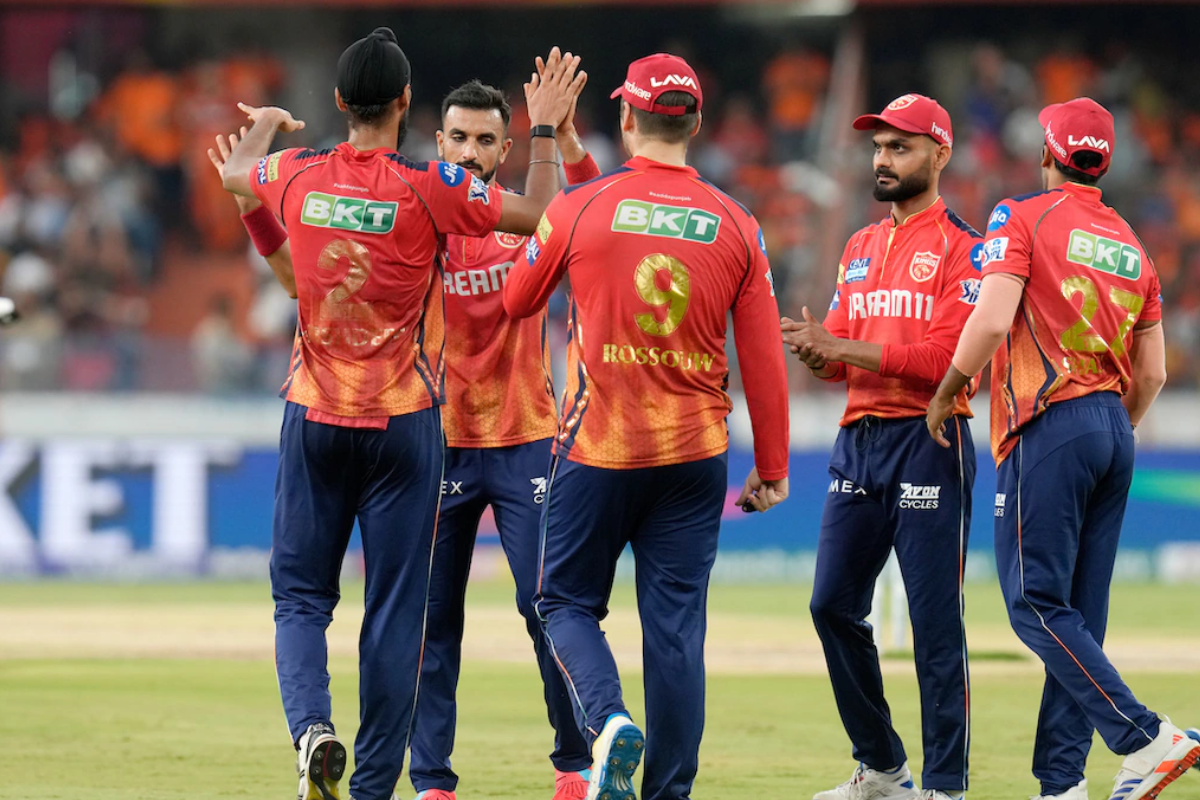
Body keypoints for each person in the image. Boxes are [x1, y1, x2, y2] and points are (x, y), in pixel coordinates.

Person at [218, 28, 584, 800]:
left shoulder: (296, 170)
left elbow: (237, 177)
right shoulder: (432, 185)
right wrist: (546, 131)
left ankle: (312, 728)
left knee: (301, 599)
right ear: (410, 106)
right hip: (407, 424)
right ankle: (379, 786)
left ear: (340, 101)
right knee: (397, 612)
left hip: (317, 414)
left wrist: (265, 125)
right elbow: (546, 212)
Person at [503, 53, 790, 800]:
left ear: (626, 116)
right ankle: (669, 793)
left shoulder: (581, 206)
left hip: (598, 446)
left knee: (562, 603)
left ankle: (606, 723)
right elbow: (763, 357)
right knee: (676, 635)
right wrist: (773, 467)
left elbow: (517, 298)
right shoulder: (739, 223)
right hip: (695, 456)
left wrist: (554, 148)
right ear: (696, 124)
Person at [926, 97, 1198, 800]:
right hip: (1113, 426)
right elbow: (1153, 374)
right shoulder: (1134, 245)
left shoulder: (1021, 216)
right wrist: (1110, 426)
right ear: (1103, 163)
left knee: (1034, 603)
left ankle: (1146, 738)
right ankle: (1062, 784)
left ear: (1047, 154)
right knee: (1078, 615)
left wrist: (947, 389)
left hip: (1049, 420)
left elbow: (992, 322)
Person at [783, 93, 981, 800]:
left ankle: (946, 786)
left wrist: (841, 348)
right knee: (831, 605)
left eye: (900, 147)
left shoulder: (965, 247)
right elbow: (838, 360)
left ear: (940, 153)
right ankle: (885, 769)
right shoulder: (860, 245)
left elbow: (945, 360)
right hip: (859, 441)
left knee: (933, 623)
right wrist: (819, 355)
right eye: (878, 148)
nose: (883, 160)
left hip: (929, 437)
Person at [407, 80, 599, 800]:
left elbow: (584, 206)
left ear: (506, 149)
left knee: (546, 608)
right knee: (432, 621)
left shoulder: (528, 218)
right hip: (439, 441)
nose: (470, 152)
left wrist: (560, 137)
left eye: (485, 140)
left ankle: (574, 763)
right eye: (458, 138)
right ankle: (432, 781)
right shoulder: (419, 224)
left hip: (527, 440)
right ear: (439, 143)